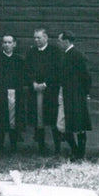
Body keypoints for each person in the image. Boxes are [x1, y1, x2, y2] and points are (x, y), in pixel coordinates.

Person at [25, 26, 63, 155]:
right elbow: (27, 70)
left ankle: (57, 148)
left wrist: (46, 83)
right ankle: (41, 148)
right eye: (34, 38)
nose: (36, 40)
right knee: (38, 121)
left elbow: (57, 71)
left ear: (46, 38)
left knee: (53, 120)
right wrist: (33, 83)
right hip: (36, 91)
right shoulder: (31, 53)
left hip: (50, 91)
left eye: (39, 37)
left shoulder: (55, 52)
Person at [0, 33, 25, 153]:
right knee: (0, 120)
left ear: (14, 44)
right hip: (0, 94)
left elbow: (24, 77)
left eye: (9, 42)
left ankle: (13, 146)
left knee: (14, 120)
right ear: (2, 44)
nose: (7, 45)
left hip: (15, 93)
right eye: (5, 42)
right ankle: (0, 147)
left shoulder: (19, 60)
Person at [56, 31, 92, 160]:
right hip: (65, 94)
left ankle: (79, 154)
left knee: (78, 125)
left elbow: (86, 76)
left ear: (66, 41)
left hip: (76, 96)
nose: (58, 43)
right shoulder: (65, 55)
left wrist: (86, 93)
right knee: (63, 125)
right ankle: (75, 151)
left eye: (59, 41)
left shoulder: (77, 55)